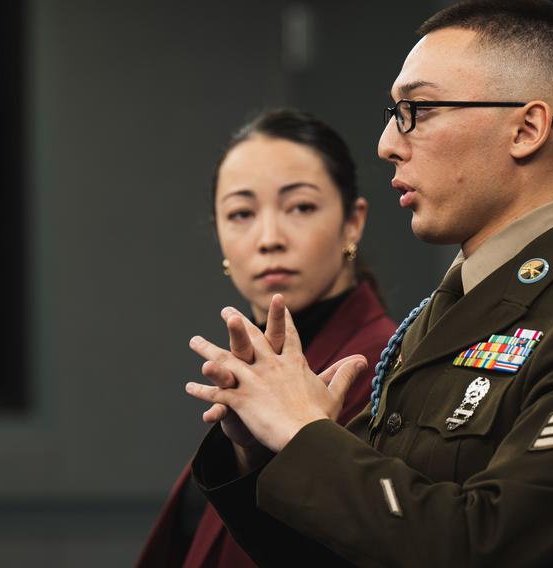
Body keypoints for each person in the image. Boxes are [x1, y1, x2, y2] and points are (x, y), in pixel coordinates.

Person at [184, 1, 553, 566]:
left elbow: (483, 547)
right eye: (394, 112)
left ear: (527, 129)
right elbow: (344, 544)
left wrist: (304, 434)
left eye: (418, 109)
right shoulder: (450, 311)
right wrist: (261, 446)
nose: (388, 142)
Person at [137, 109, 397, 567]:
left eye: (301, 207)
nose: (269, 238)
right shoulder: (255, 366)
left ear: (352, 222)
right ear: (218, 234)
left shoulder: (383, 365)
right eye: (240, 213)